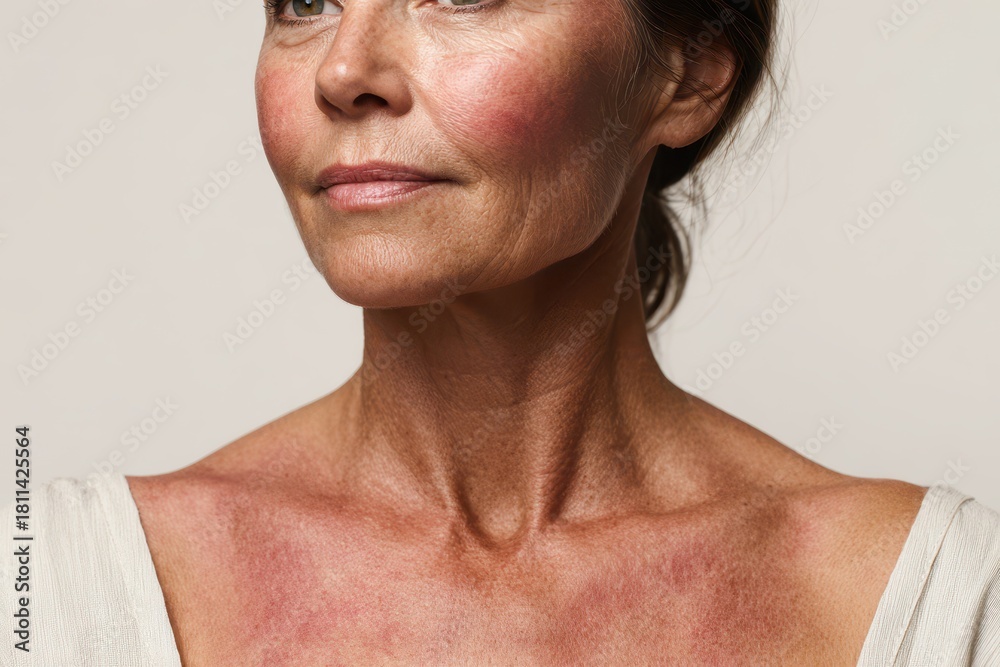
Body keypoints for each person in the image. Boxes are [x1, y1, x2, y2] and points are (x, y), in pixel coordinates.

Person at [3, 0, 998, 664]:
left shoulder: (935, 606)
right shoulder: (46, 592)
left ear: (688, 73)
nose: (344, 69)